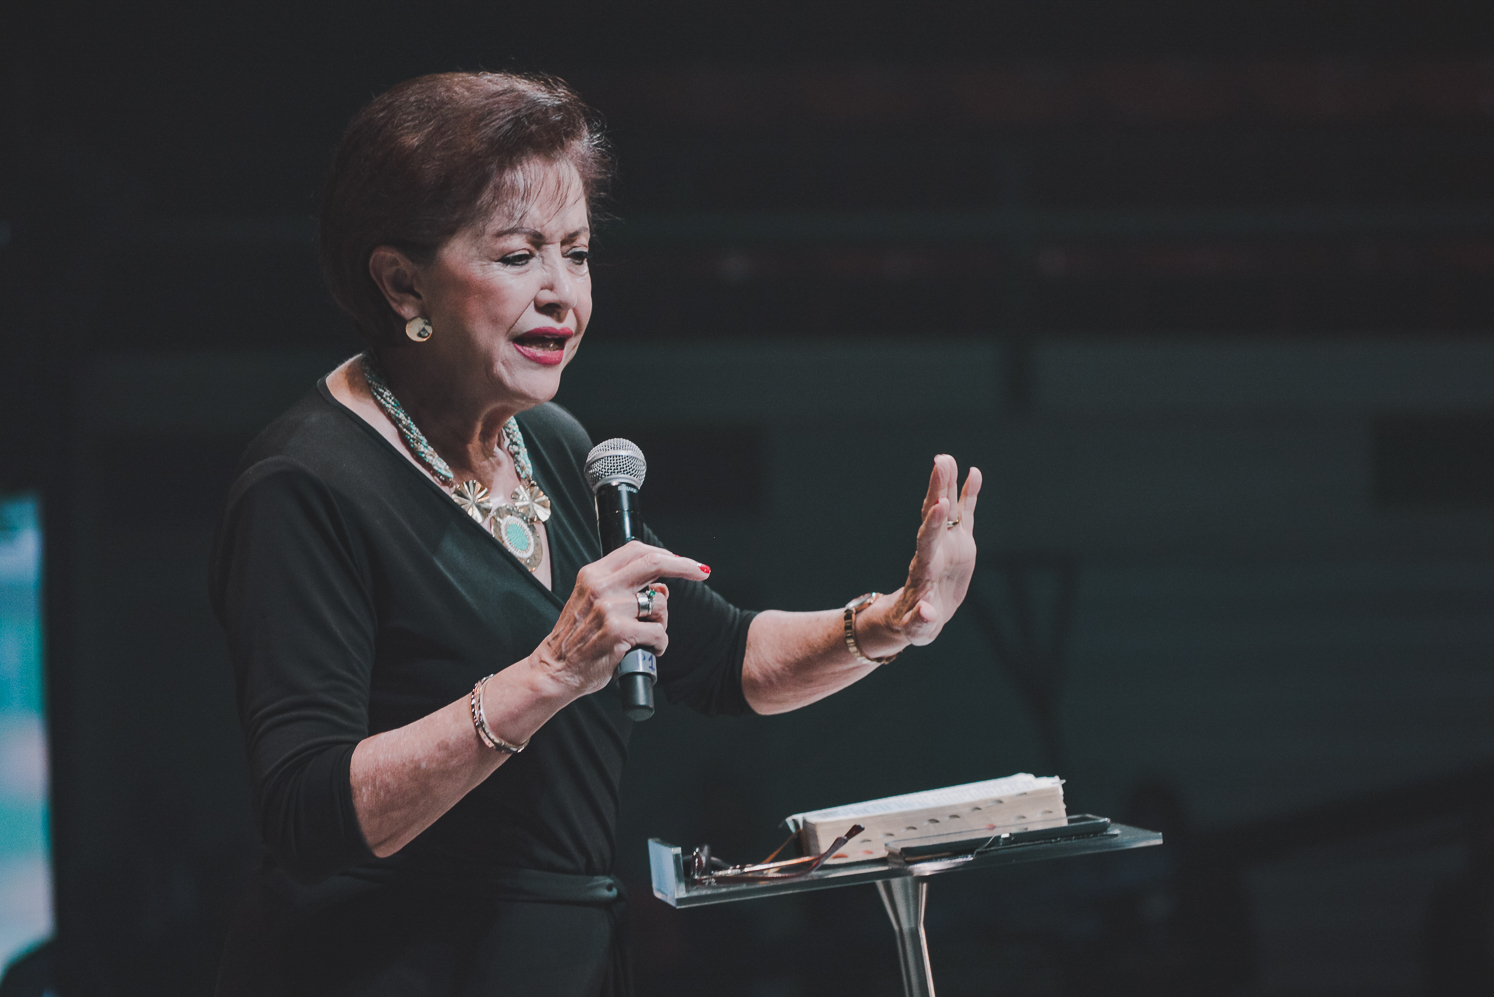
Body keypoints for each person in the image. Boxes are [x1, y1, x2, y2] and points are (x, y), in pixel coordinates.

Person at [209, 71, 982, 997]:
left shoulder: (555, 445)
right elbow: (307, 812)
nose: (561, 295)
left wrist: (894, 620)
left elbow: (720, 656)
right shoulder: (305, 483)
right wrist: (549, 674)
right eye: (518, 256)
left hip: (559, 961)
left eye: (575, 254)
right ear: (402, 281)